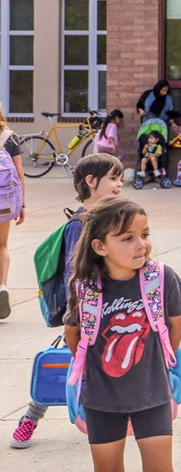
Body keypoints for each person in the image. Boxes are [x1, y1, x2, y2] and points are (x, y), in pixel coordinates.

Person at [63, 197, 181, 471]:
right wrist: (91, 369)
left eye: (144, 235)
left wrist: (158, 359)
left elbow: (175, 324)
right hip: (102, 399)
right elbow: (73, 334)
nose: (141, 244)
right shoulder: (85, 288)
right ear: (100, 246)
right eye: (126, 238)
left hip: (153, 394)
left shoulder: (161, 278)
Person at [9, 153, 124, 448]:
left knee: (116, 365)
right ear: (91, 181)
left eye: (120, 179)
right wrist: (78, 319)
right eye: (114, 178)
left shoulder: (112, 218)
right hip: (84, 315)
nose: (120, 185)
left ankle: (120, 417)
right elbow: (75, 275)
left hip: (113, 310)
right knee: (62, 367)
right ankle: (31, 417)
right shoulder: (81, 225)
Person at [0, 108, 25, 321]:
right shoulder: (10, 137)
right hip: (4, 202)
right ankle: (2, 286)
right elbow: (19, 174)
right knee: (2, 245)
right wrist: (22, 205)